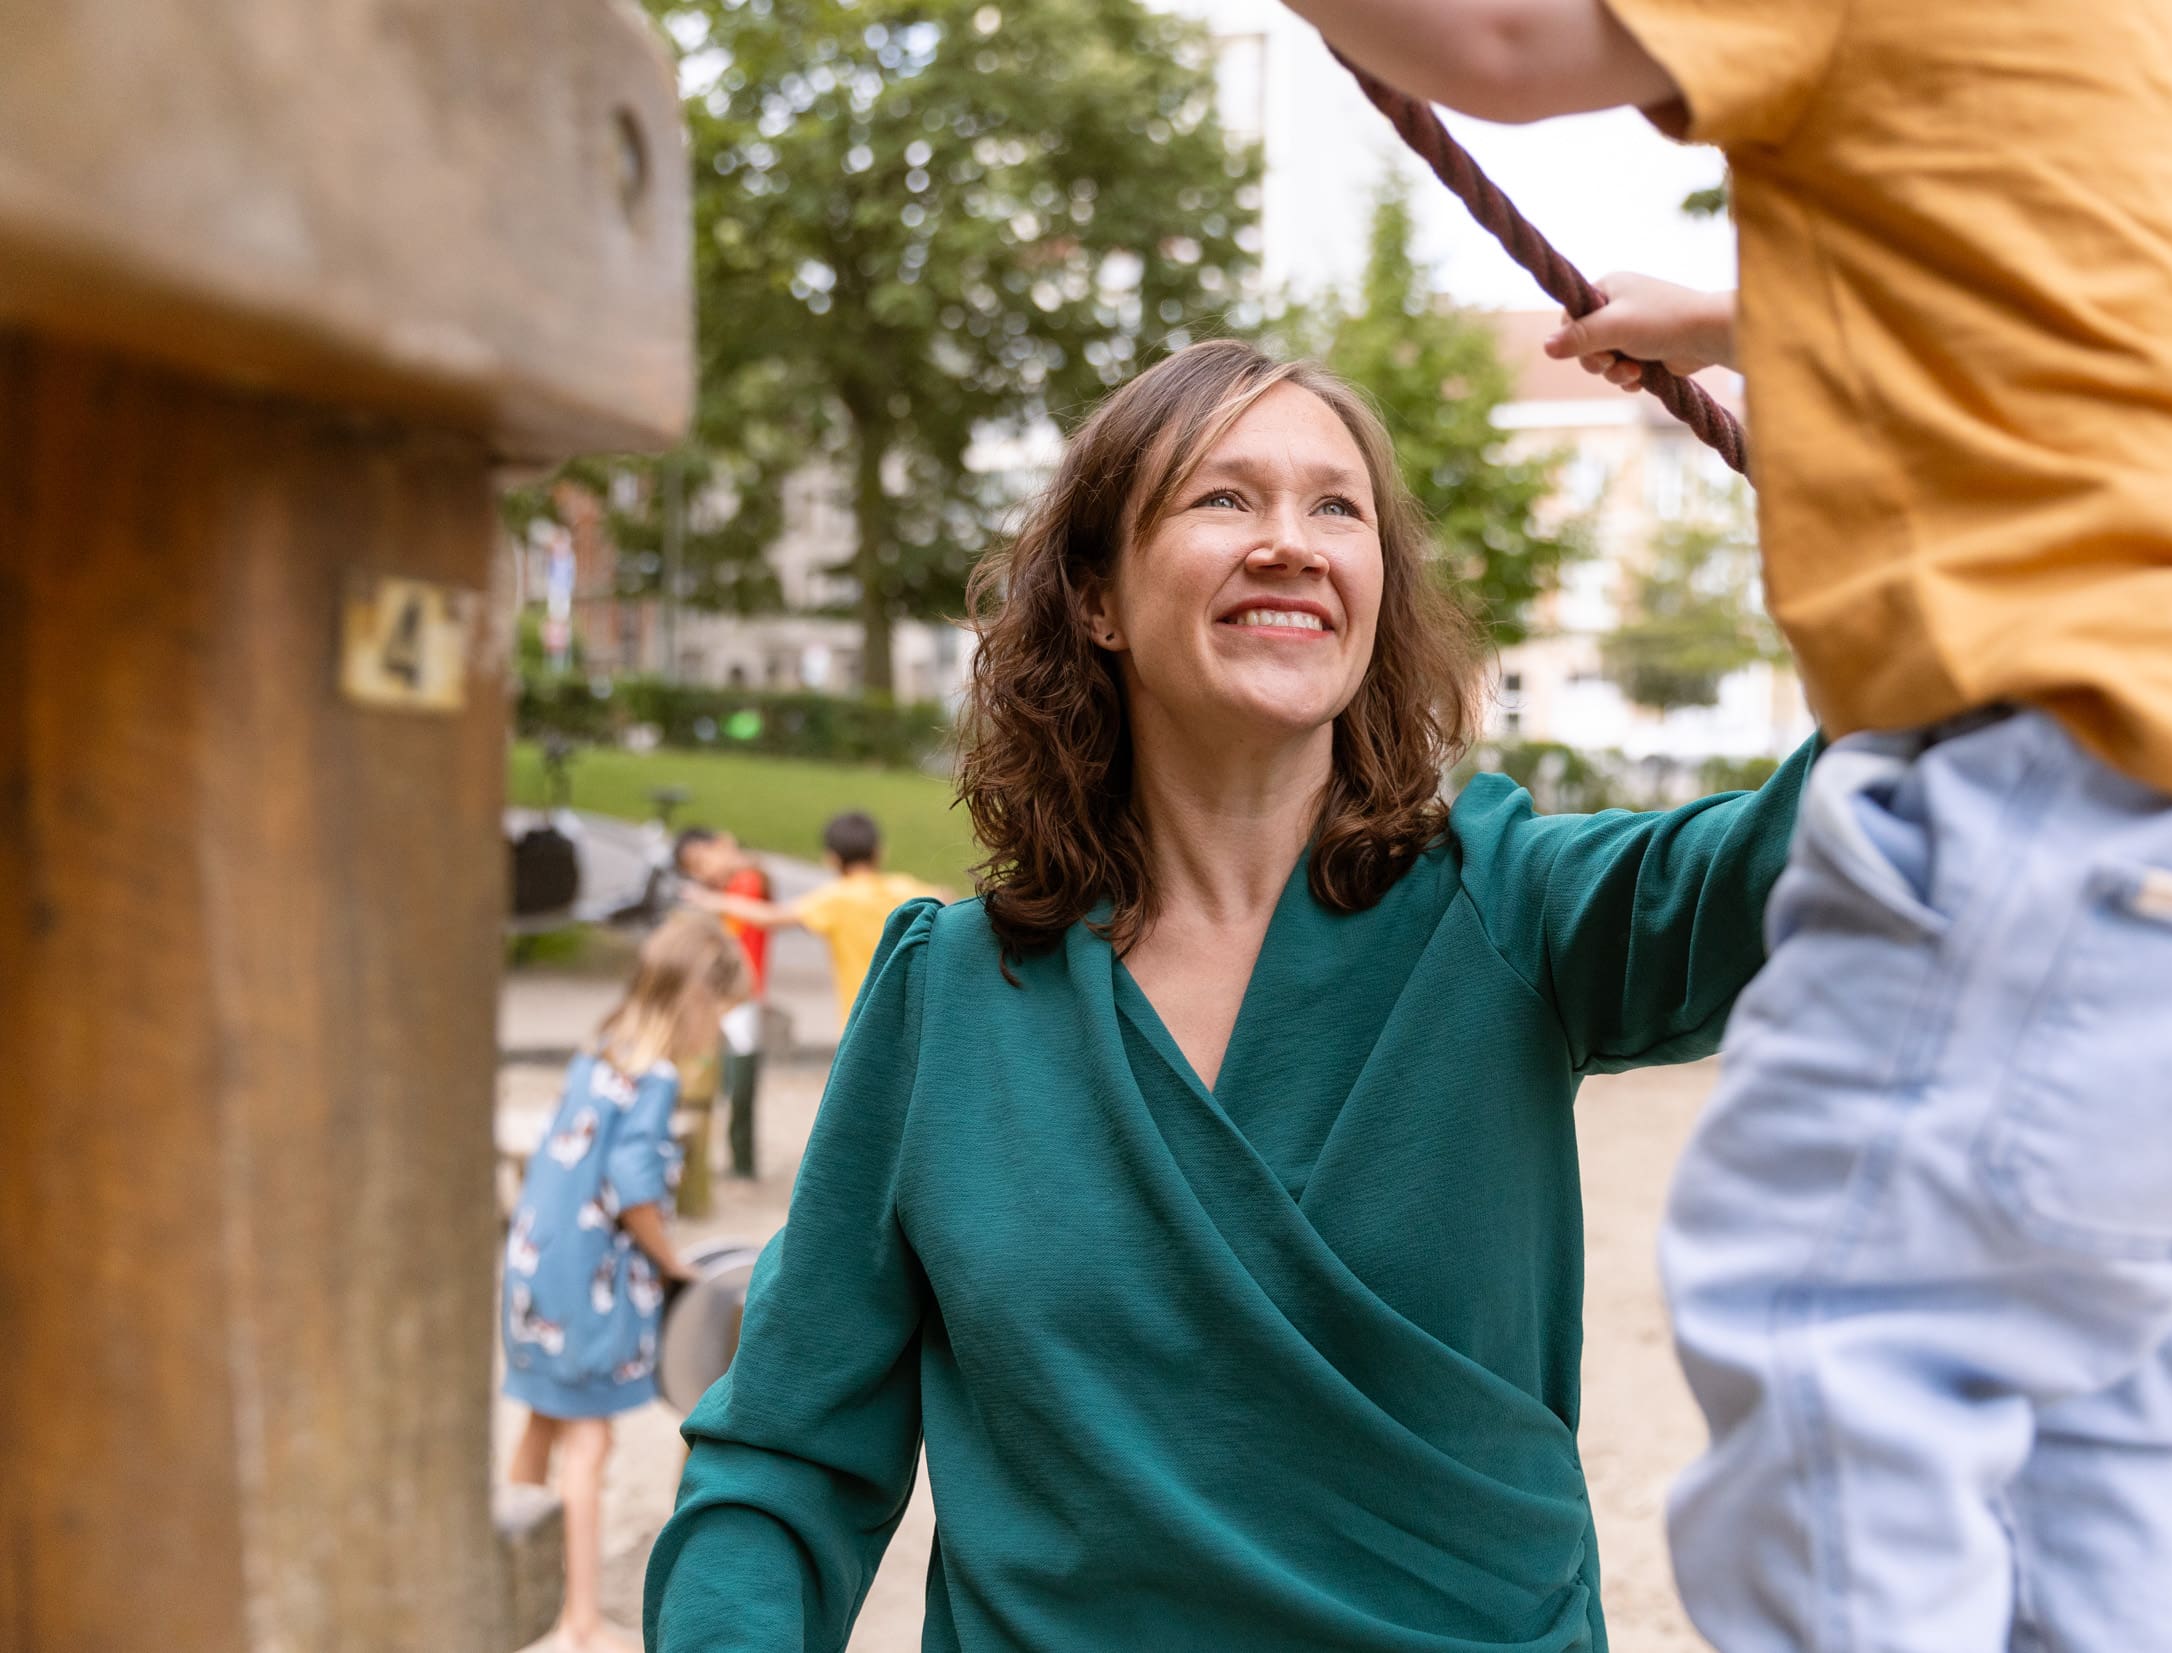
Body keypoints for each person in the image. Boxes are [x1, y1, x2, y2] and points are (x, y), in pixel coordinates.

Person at [1277, 6, 2172, 1652]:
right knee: (2085, 1434)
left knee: (1834, 1335)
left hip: (2090, 777)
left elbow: (1499, 36)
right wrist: (1750, 320)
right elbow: (2066, 286)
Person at [642, 339, 1815, 1651]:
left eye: (1336, 507)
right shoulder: (946, 997)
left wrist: (1812, 390)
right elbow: (786, 1458)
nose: (1291, 543)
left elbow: (1887, 809)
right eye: (1223, 498)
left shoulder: (1521, 911)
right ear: (1096, 596)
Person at [505, 910, 750, 1653]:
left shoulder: (601, 1053)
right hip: (590, 1285)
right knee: (590, 1442)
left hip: (532, 1267)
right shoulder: (657, 1077)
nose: (719, 1036)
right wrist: (673, 1260)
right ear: (697, 999)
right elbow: (632, 1184)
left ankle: (509, 1578)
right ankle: (575, 1618)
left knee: (542, 1425)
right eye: (724, 1015)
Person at [692, 811, 949, 1032]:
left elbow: (769, 917)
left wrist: (716, 901)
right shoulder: (904, 888)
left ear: (831, 858)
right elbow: (945, 898)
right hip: (914, 1011)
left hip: (863, 1018)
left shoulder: (836, 898)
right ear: (879, 851)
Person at [673, 827, 772, 1179]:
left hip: (741, 998)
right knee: (723, 1081)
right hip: (730, 997)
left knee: (736, 1083)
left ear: (724, 844)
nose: (702, 873)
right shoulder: (733, 886)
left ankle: (739, 1163)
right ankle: (734, 1162)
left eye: (702, 860)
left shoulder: (745, 882)